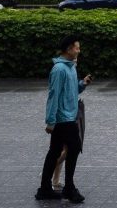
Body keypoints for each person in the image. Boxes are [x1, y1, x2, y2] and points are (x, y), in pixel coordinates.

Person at [36, 34, 91, 203]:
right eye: (77, 47)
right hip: (63, 119)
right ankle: (68, 188)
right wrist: (50, 121)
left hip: (69, 115)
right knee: (73, 148)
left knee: (54, 152)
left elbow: (71, 91)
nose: (79, 51)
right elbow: (54, 96)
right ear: (68, 49)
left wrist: (82, 84)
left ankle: (45, 188)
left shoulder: (70, 67)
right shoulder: (59, 69)